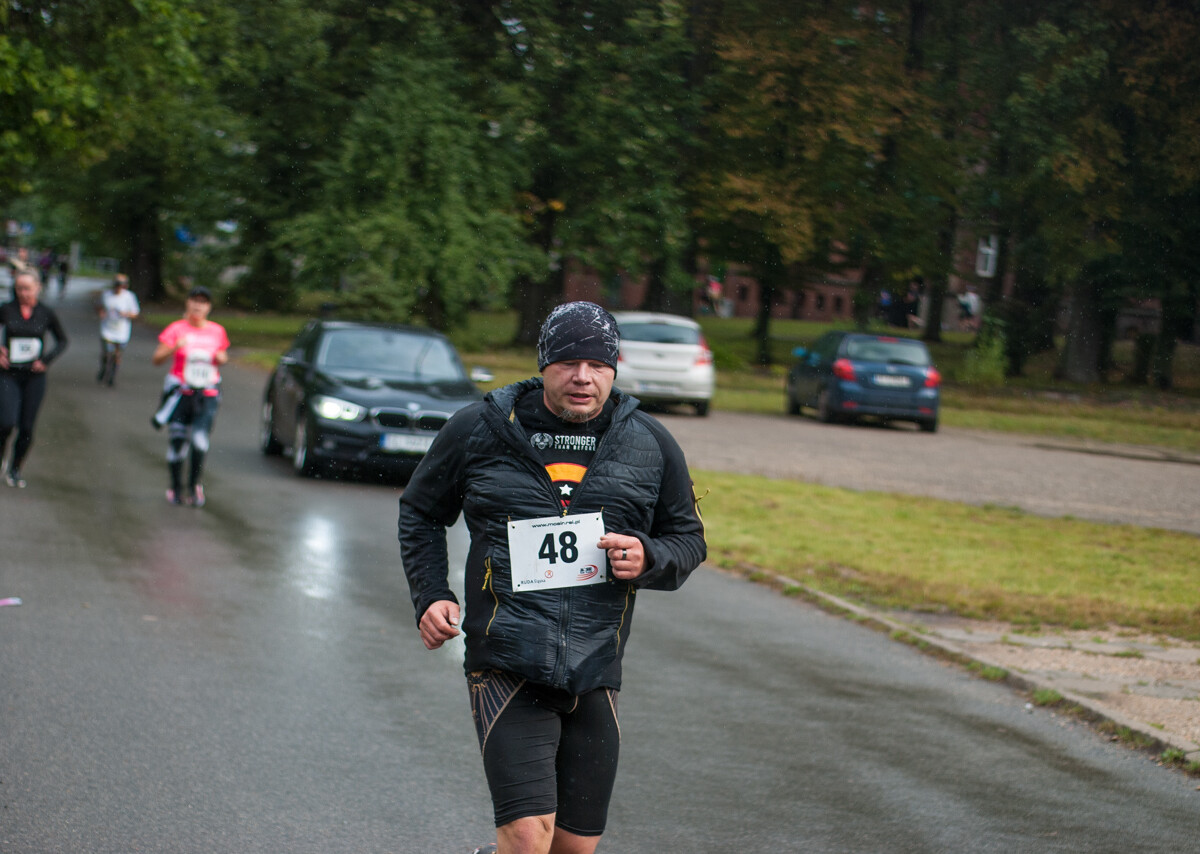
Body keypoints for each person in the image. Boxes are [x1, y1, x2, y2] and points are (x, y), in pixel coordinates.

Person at [398, 301, 706, 854]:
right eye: (566, 362)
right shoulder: (480, 429)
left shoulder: (651, 443)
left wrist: (649, 556)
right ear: (543, 365)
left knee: (571, 848)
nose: (582, 377)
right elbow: (420, 511)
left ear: (615, 367)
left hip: (595, 670)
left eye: (597, 364)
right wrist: (430, 594)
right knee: (526, 836)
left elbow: (688, 539)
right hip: (507, 662)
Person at [151, 286, 229, 507]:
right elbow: (156, 359)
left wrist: (221, 357)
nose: (198, 305)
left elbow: (223, 355)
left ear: (209, 307)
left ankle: (194, 485)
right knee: (177, 443)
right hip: (180, 393)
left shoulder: (217, 331)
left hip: (207, 394)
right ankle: (175, 487)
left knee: (199, 441)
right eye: (194, 301)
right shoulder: (177, 329)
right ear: (187, 303)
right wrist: (175, 347)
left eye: (203, 302)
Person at [0, 271, 69, 488]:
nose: (23, 293)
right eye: (19, 288)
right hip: (8, 373)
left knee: (27, 427)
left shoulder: (46, 313)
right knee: (6, 422)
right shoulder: (7, 309)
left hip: (34, 377)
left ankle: (16, 468)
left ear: (38, 288)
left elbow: (62, 341)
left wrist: (46, 361)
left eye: (27, 288)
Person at [95, 273, 140, 386]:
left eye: (121, 284)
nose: (118, 286)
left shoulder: (129, 297)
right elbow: (99, 306)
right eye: (117, 284)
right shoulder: (106, 295)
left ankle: (112, 377)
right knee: (107, 352)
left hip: (121, 330)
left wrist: (126, 314)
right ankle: (104, 368)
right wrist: (101, 313)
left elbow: (135, 313)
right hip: (107, 329)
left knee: (117, 355)